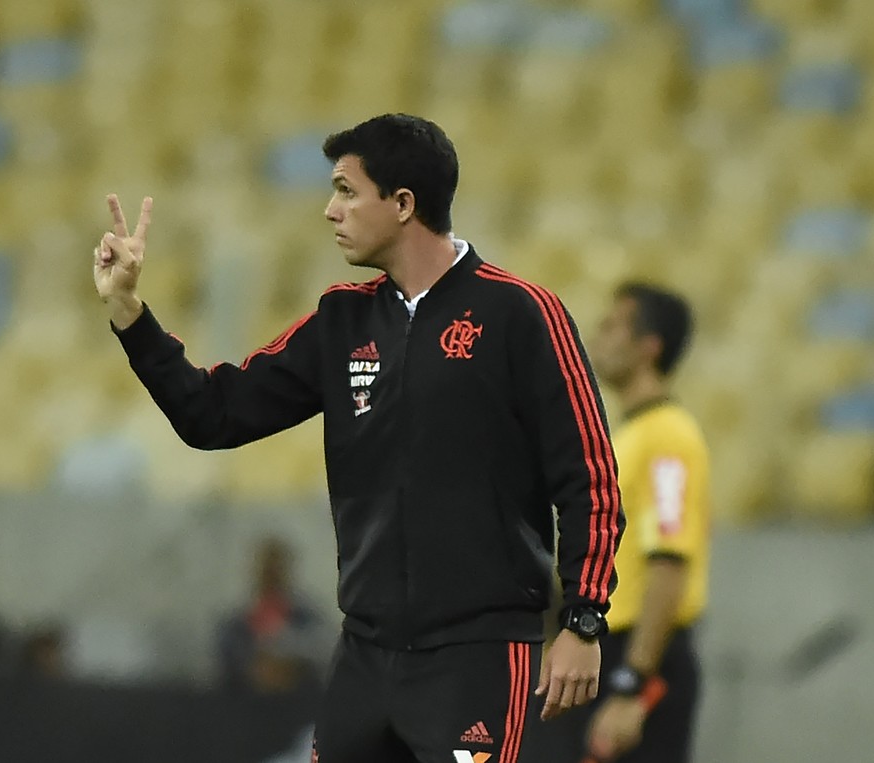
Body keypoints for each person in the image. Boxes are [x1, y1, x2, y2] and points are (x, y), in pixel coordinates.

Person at [92, 113, 624, 763]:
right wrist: (129, 313)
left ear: (403, 204)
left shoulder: (521, 313)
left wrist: (584, 619)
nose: (329, 210)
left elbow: (590, 479)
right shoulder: (341, 318)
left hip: (476, 659)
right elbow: (212, 414)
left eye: (346, 190)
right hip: (365, 657)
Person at [554, 283, 709, 763]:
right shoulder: (631, 433)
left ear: (649, 347)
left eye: (612, 326)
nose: (597, 338)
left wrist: (632, 685)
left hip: (639, 657)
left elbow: (668, 563)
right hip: (605, 650)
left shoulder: (666, 436)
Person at [216, 536, 327, 695]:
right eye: (267, 568)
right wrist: (255, 667)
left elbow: (322, 652)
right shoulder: (236, 624)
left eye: (277, 568)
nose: (272, 574)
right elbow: (226, 660)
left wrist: (290, 665)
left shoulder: (306, 619)